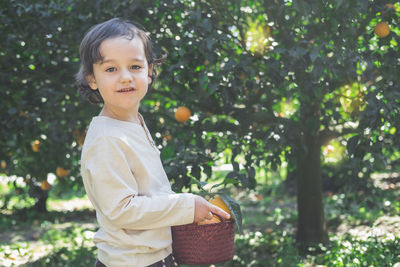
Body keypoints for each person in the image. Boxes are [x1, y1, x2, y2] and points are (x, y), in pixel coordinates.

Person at [75, 18, 230, 267]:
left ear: (149, 71)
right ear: (92, 78)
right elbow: (122, 210)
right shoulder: (107, 138)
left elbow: (150, 194)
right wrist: (187, 206)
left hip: (152, 257)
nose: (125, 77)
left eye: (135, 66)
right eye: (111, 69)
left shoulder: (133, 122)